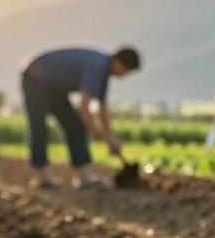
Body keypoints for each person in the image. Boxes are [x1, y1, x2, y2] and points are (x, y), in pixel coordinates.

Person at [21, 46, 141, 188]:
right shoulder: (97, 66)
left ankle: (84, 176)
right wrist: (100, 134)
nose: (124, 76)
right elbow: (84, 107)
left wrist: (110, 137)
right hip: (35, 78)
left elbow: (102, 107)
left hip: (55, 87)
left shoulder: (104, 72)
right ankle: (42, 176)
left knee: (75, 126)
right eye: (126, 72)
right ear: (119, 63)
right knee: (39, 126)